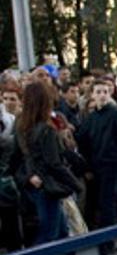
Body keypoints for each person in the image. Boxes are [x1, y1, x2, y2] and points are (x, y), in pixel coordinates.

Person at [16, 81, 82, 245]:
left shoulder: (23, 127)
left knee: (57, 231)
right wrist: (75, 184)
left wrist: (29, 175)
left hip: (36, 185)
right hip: (49, 186)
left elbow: (22, 158)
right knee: (52, 234)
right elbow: (55, 164)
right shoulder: (46, 130)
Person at [75, 77, 117, 229]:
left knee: (107, 201)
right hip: (98, 163)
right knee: (116, 199)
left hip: (113, 163)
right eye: (98, 92)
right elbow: (82, 139)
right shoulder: (91, 118)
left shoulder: (116, 114)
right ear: (92, 95)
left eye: (105, 92)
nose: (102, 95)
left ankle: (109, 241)